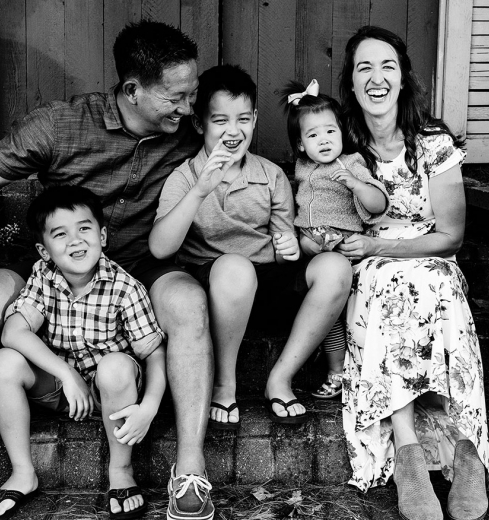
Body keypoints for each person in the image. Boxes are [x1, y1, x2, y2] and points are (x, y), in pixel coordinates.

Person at [0, 21, 219, 520]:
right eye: (175, 97)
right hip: (52, 268)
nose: (187, 107)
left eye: (192, 94)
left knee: (189, 301)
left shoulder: (191, 131)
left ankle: (190, 469)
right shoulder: (60, 124)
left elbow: (240, 153)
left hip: (142, 265)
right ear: (133, 90)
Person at [334, 26, 489, 520]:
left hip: (430, 255)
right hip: (371, 266)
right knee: (386, 281)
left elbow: (451, 237)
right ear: (351, 83)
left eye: (388, 66)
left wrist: (380, 244)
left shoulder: (432, 143)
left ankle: (465, 449)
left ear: (403, 79)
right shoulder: (342, 144)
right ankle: (408, 455)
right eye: (364, 68)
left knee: (435, 281)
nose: (377, 78)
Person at [149, 64, 353, 429]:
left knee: (335, 268)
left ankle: (281, 377)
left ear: (255, 119)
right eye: (220, 120)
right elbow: (161, 249)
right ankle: (224, 383)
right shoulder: (185, 177)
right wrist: (200, 190)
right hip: (216, 288)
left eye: (243, 119)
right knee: (235, 268)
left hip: (266, 283)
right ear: (199, 124)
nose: (234, 130)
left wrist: (290, 248)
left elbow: (283, 247)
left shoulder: (270, 175)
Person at [0, 187, 165, 519]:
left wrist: (149, 407)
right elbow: (12, 332)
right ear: (44, 250)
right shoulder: (43, 277)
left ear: (102, 236)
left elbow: (154, 354)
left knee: (115, 367)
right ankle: (23, 472)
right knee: (3, 361)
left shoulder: (125, 288)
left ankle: (121, 471)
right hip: (61, 389)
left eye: (84, 228)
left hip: (111, 394)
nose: (76, 240)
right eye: (60, 234)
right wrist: (67, 375)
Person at [278, 78, 389, 402]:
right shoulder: (302, 168)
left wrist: (356, 185)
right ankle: (334, 369)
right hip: (312, 249)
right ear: (301, 145)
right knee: (323, 315)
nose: (324, 140)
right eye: (313, 135)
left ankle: (339, 371)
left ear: (342, 132)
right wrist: (304, 241)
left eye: (330, 131)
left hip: (343, 248)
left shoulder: (352, 163)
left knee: (335, 316)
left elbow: (378, 203)